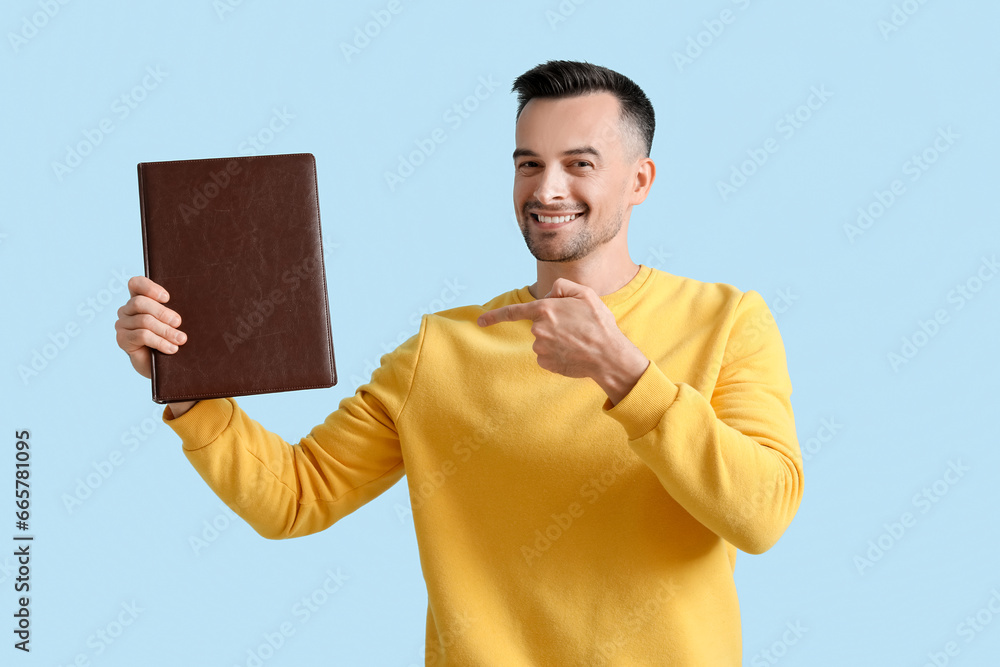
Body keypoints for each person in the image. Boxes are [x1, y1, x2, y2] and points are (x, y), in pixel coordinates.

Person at [115, 60, 803, 666]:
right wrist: (186, 385)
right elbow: (295, 496)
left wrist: (625, 374)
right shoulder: (442, 350)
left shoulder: (728, 320)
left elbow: (761, 514)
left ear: (640, 180)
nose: (547, 188)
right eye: (528, 162)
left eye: (579, 163)